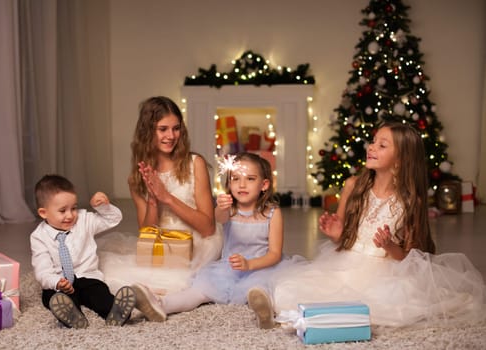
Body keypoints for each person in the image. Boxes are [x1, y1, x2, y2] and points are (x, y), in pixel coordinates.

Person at [272, 121, 486, 328]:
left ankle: (331, 317)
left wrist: (390, 246)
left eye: (382, 145)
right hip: (345, 264)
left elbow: (410, 257)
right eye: (373, 141)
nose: (371, 147)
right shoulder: (353, 185)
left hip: (385, 272)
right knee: (287, 291)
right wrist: (336, 233)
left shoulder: (410, 201)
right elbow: (343, 238)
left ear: (400, 160)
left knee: (389, 304)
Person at [131, 152, 303, 329]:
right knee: (200, 290)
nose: (242, 184)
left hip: (262, 267)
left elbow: (274, 254)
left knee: (261, 288)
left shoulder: (272, 213)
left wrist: (250, 265)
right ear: (229, 183)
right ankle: (161, 305)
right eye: (235, 179)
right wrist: (221, 207)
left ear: (264, 184)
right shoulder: (229, 210)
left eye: (250, 179)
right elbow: (218, 219)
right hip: (229, 269)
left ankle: (264, 314)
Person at [97, 96, 223, 295]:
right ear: (147, 132)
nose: (171, 136)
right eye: (163, 129)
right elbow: (146, 232)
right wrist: (154, 201)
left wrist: (168, 198)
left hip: (195, 243)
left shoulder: (194, 163)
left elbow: (208, 228)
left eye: (176, 128)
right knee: (113, 272)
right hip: (161, 246)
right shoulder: (137, 177)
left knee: (178, 281)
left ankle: (158, 300)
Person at [30, 174, 137, 328]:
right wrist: (56, 282)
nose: (70, 215)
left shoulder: (84, 220)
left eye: (73, 208)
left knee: (99, 294)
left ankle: (116, 312)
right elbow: (42, 270)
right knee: (53, 296)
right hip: (59, 282)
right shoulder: (38, 237)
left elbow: (112, 219)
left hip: (87, 276)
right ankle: (72, 315)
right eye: (62, 210)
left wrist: (102, 207)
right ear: (43, 213)